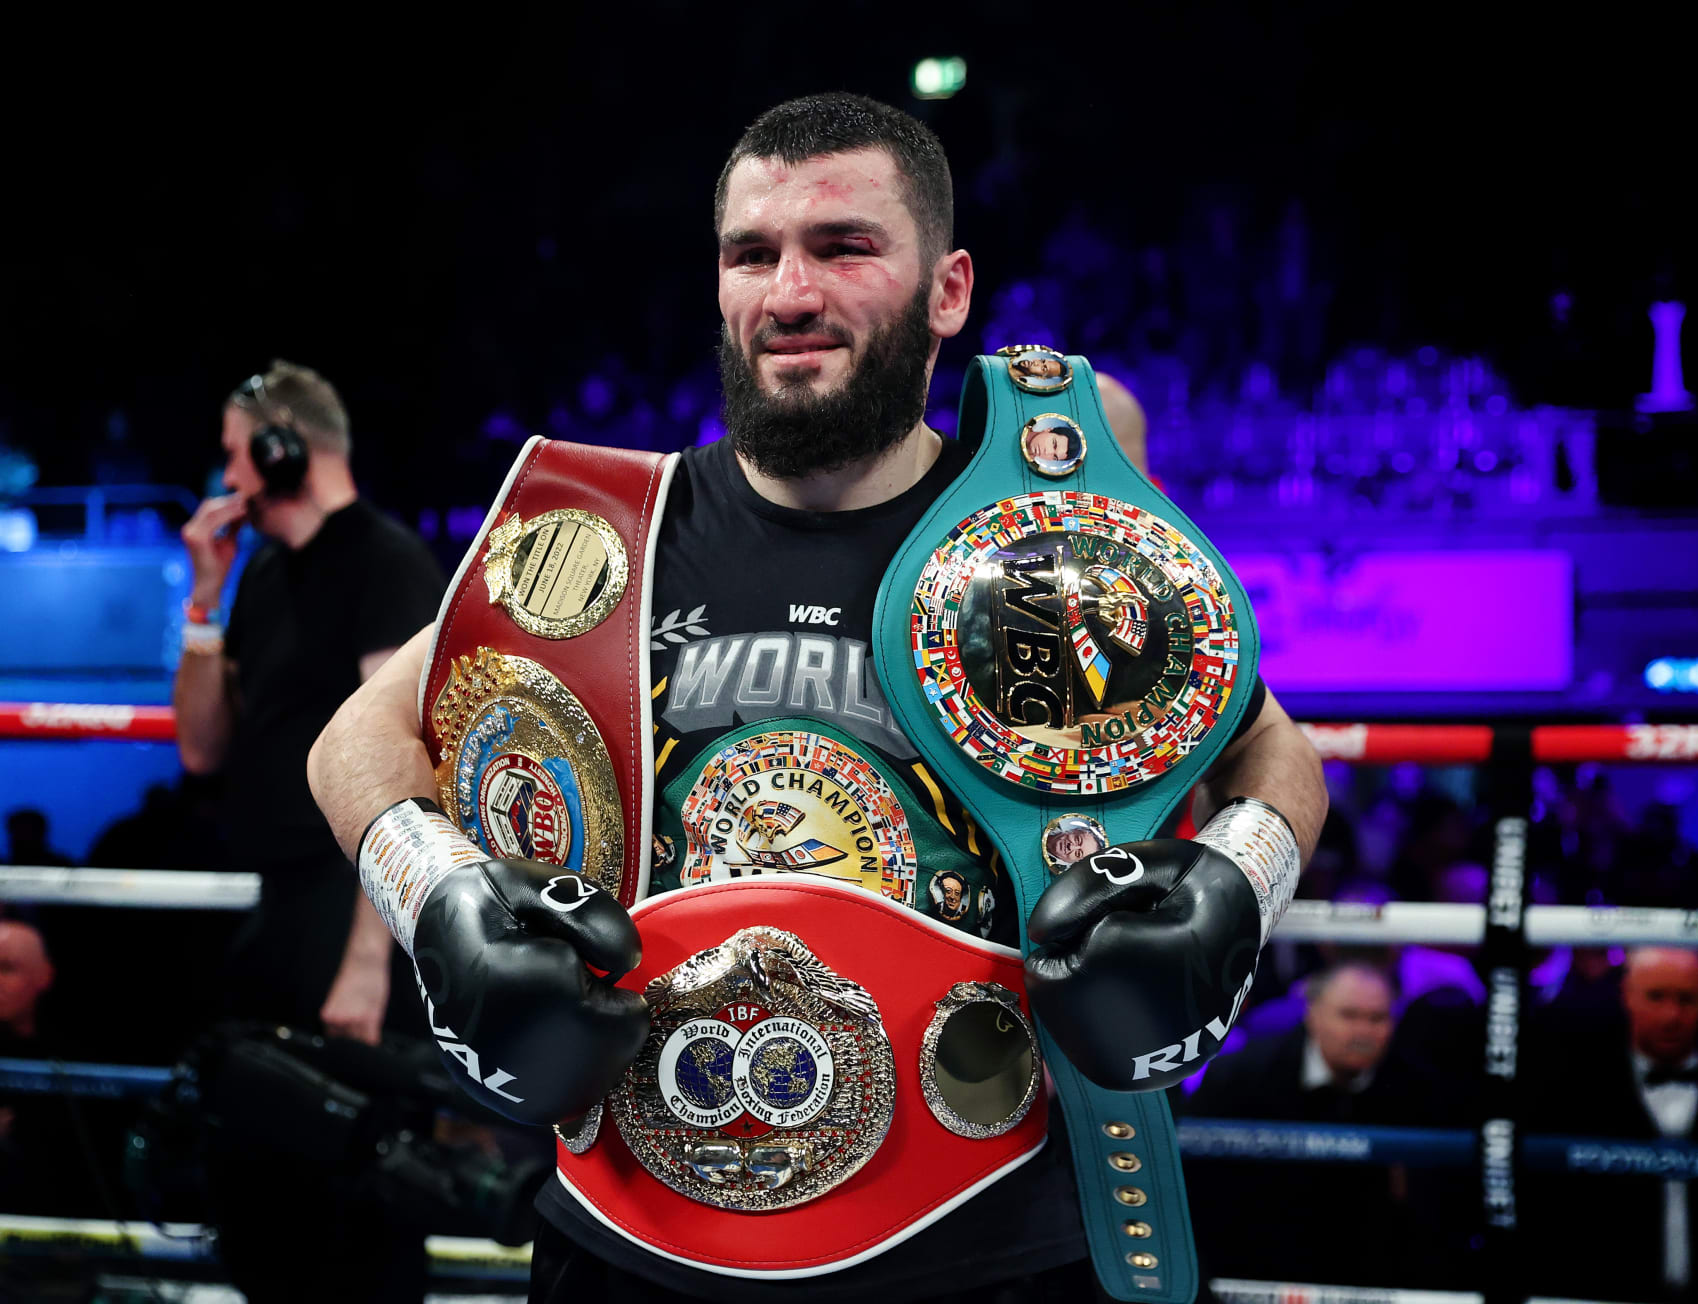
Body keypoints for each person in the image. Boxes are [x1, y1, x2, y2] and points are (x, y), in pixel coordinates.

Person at [309, 93, 1327, 1303]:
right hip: (636, 1238)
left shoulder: (1042, 549)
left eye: (844, 247)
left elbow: (1276, 751)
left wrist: (1236, 887)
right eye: (753, 253)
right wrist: (439, 895)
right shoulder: (606, 540)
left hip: (985, 1238)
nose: (790, 292)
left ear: (947, 290)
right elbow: (355, 738)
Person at [172, 359, 445, 1301]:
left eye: (236, 452)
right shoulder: (260, 575)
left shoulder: (386, 564)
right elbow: (201, 747)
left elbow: (411, 777)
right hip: (275, 909)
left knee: (355, 1212)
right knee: (266, 1207)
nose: (227, 475)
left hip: (355, 912)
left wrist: (369, 961)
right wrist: (203, 600)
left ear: (284, 446)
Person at [1525, 947, 1698, 1299]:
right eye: (1656, 997)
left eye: (1686, 999)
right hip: (1604, 1291)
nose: (1671, 1016)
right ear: (1626, 995)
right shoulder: (1574, 1086)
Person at [1181, 962, 1454, 1287]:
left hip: (1371, 1265)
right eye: (1349, 1016)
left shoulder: (1419, 1088)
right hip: (1252, 1257)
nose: (1363, 1032)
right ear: (1313, 1015)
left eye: (1377, 1018)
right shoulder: (1241, 1076)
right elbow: (1197, 1182)